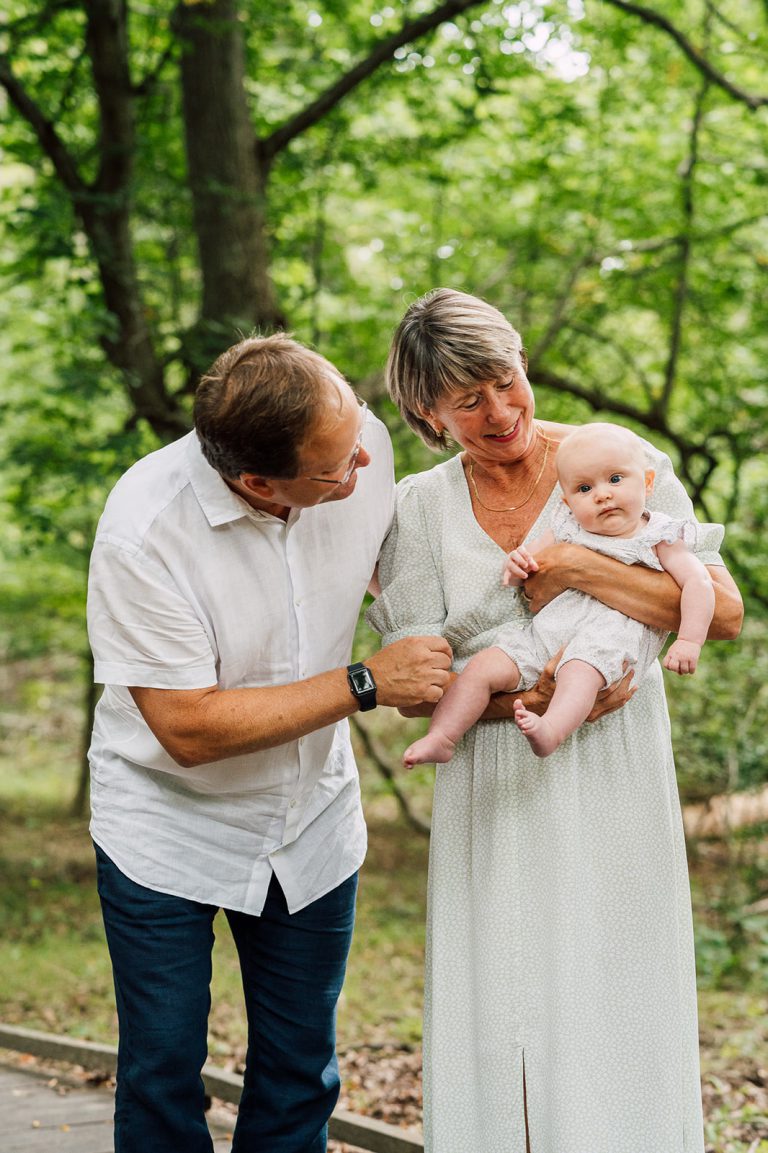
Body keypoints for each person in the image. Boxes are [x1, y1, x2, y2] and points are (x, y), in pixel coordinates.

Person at [367, 289, 743, 1153]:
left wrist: (574, 564)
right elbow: (422, 679)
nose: (499, 411)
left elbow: (720, 613)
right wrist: (526, 702)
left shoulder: (614, 458)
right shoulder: (419, 509)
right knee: (501, 1003)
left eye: (504, 381)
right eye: (468, 399)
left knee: (616, 986)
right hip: (489, 785)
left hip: (612, 768)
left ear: (523, 361)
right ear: (428, 411)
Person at [86, 332, 452, 1153]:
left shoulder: (357, 443)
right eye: (336, 469)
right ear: (257, 482)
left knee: (299, 1071)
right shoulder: (144, 531)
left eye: (358, 438)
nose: (362, 465)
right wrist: (366, 680)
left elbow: (401, 578)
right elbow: (187, 727)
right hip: (167, 828)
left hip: (311, 818)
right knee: (163, 1068)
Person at [403, 421, 716, 765]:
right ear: (567, 501)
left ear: (647, 482)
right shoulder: (567, 525)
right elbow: (524, 564)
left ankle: (551, 729)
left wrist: (689, 640)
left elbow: (698, 583)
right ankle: (443, 736)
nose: (602, 494)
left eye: (615, 479)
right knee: (482, 667)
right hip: (545, 632)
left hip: (606, 640)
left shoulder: (658, 535)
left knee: (578, 673)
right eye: (584, 488)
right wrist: (517, 565)